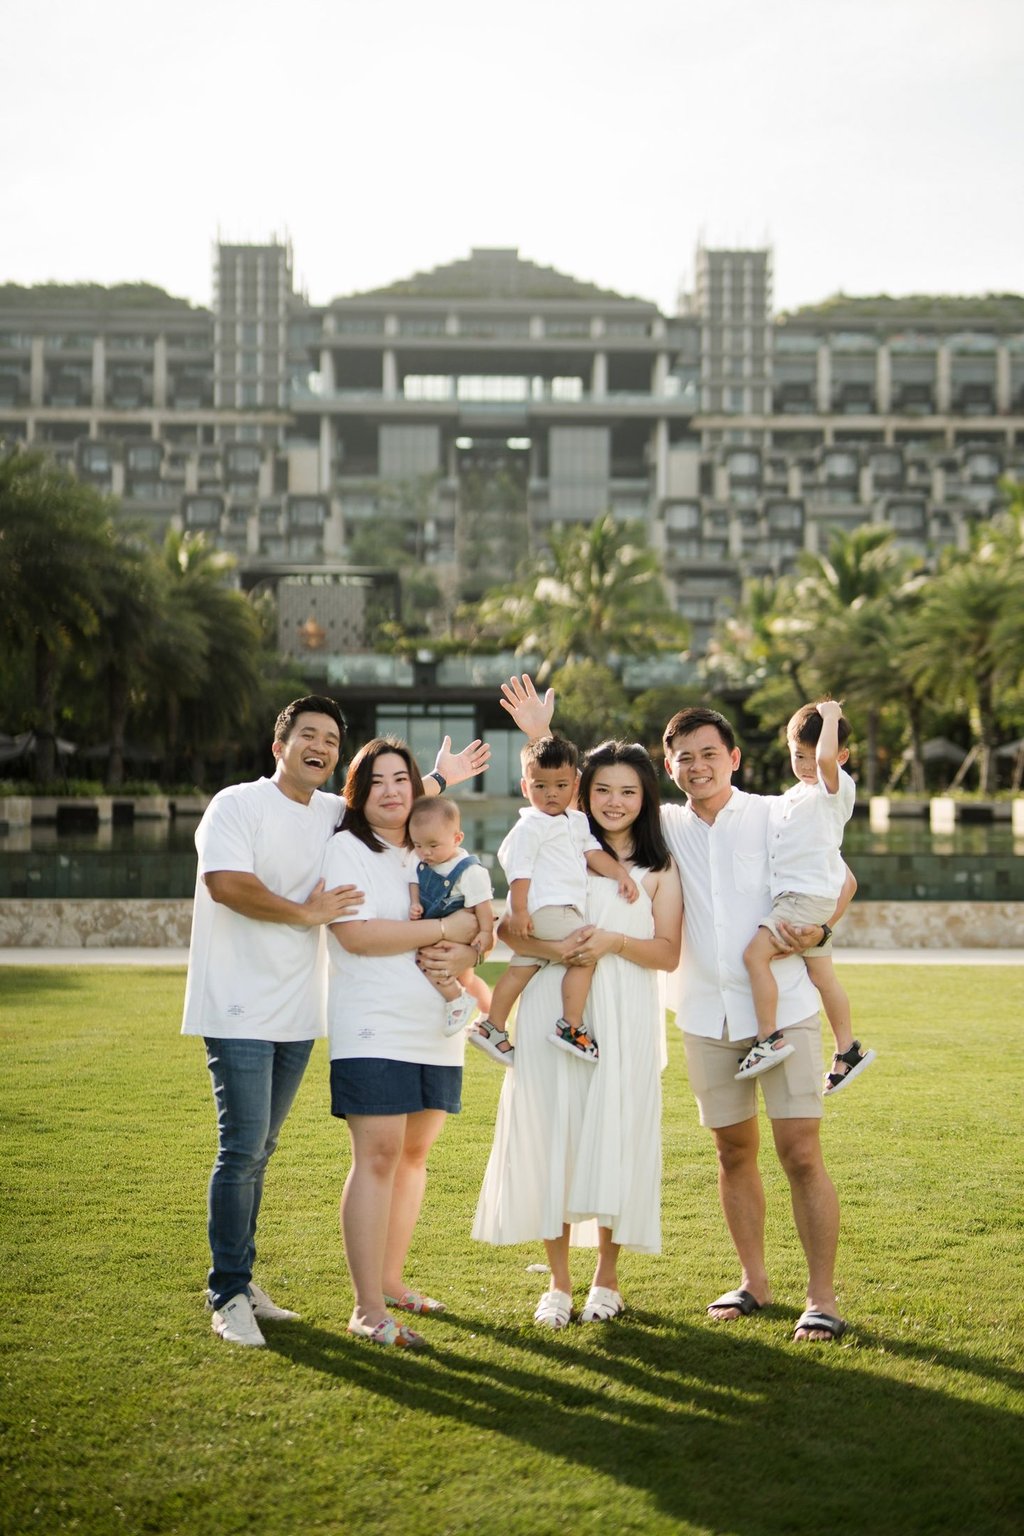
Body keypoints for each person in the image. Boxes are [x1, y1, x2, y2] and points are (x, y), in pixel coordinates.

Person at [500, 676, 853, 1343]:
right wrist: (536, 737)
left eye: (707, 753)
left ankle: (823, 1297)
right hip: (704, 1016)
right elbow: (574, 802)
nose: (696, 766)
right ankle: (754, 1282)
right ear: (669, 767)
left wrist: (820, 930)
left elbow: (843, 874)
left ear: (734, 758)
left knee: (801, 1152)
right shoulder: (665, 826)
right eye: (683, 757)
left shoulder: (780, 812)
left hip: (786, 1010)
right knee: (732, 1152)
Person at [181, 697, 488, 1348]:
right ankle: (227, 1290)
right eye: (307, 736)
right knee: (240, 1150)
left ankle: (244, 1278)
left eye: (329, 738)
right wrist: (308, 912)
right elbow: (225, 884)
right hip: (235, 1005)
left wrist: (439, 779)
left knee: (261, 1149)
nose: (318, 745)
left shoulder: (331, 815)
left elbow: (391, 795)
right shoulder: (237, 805)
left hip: (297, 1013)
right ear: (280, 746)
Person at [473, 737, 682, 1329]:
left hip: (625, 1011)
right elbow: (512, 934)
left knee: (616, 1134)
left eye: (629, 791)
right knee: (552, 1134)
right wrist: (558, 948)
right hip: (551, 1006)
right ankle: (559, 1284)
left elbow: (667, 954)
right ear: (584, 794)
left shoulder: (658, 867)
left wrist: (613, 941)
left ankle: (606, 1281)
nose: (615, 802)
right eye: (603, 790)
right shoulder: (554, 841)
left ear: (646, 798)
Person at [324, 737, 486, 1349]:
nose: (391, 791)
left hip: (436, 1027)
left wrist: (467, 941)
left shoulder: (433, 850)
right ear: (358, 793)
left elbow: (478, 934)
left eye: (402, 779)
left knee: (415, 1155)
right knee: (379, 1156)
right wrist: (446, 926)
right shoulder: (347, 849)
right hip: (374, 1024)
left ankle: (391, 1280)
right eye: (377, 781)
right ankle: (366, 1309)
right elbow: (358, 937)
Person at [470, 734, 638, 1069]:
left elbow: (593, 854)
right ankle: (571, 1025)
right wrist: (517, 910)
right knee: (585, 954)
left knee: (520, 968)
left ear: (575, 784)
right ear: (524, 787)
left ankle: (492, 1026)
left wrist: (619, 873)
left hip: (545, 912)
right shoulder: (532, 824)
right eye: (540, 786)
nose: (551, 794)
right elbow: (520, 870)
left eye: (561, 785)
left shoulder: (574, 821)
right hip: (550, 908)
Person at [737, 699, 875, 1094]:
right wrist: (825, 926)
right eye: (798, 755)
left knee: (754, 956)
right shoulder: (794, 799)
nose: (805, 765)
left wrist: (831, 716)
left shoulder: (833, 791)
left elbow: (826, 759)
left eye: (812, 758)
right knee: (823, 977)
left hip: (801, 900)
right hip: (811, 901)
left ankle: (768, 1039)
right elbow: (847, 882)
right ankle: (847, 1049)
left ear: (839, 757)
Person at [407, 794, 495, 1035]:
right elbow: (413, 882)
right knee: (467, 978)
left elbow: (484, 905)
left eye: (433, 845)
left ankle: (457, 1000)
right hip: (435, 925)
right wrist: (415, 902)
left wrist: (486, 932)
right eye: (418, 845)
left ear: (457, 838)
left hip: (460, 931)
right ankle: (489, 1012)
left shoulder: (469, 871)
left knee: (431, 961)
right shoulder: (422, 863)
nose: (425, 852)